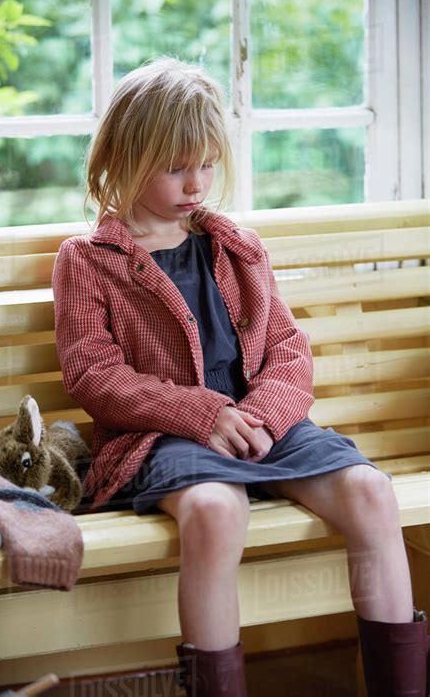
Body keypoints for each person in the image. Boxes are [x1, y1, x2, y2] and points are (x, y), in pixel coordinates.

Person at [52, 57, 428, 697]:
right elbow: (94, 375)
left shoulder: (237, 246)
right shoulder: (88, 261)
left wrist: (265, 415)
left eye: (206, 164)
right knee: (214, 510)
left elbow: (286, 346)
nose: (195, 183)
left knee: (372, 494)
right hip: (164, 437)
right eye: (175, 167)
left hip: (264, 422)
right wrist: (204, 415)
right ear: (125, 154)